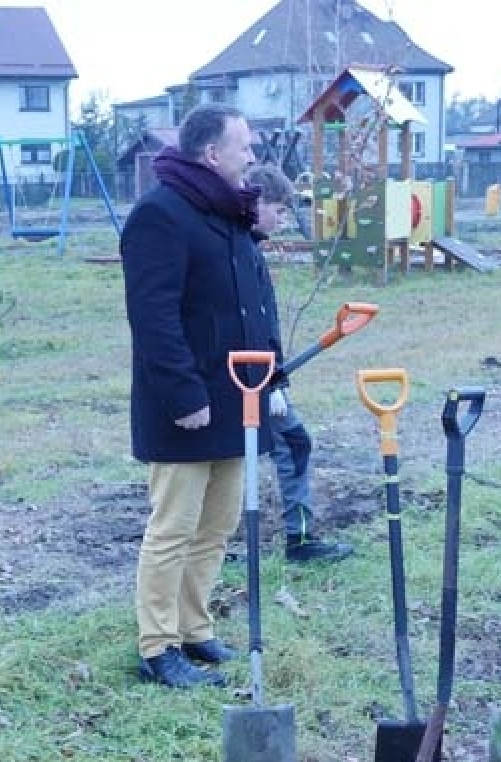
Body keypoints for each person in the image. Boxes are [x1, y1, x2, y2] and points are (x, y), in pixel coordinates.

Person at [123, 103, 275, 689]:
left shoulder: (230, 212)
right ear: (213, 153)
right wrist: (185, 394)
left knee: (216, 526)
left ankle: (193, 627)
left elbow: (255, 301)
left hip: (238, 397)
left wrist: (274, 373)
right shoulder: (160, 215)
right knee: (174, 528)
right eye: (246, 146)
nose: (254, 156)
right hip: (184, 406)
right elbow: (153, 317)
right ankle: (158, 645)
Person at [244, 163, 352, 564]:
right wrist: (268, 383)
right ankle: (298, 539)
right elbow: (246, 324)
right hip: (246, 376)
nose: (284, 218)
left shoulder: (248, 247)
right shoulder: (239, 248)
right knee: (288, 443)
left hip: (259, 373)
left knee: (283, 444)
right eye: (279, 208)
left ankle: (292, 537)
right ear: (255, 203)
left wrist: (277, 379)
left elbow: (262, 322)